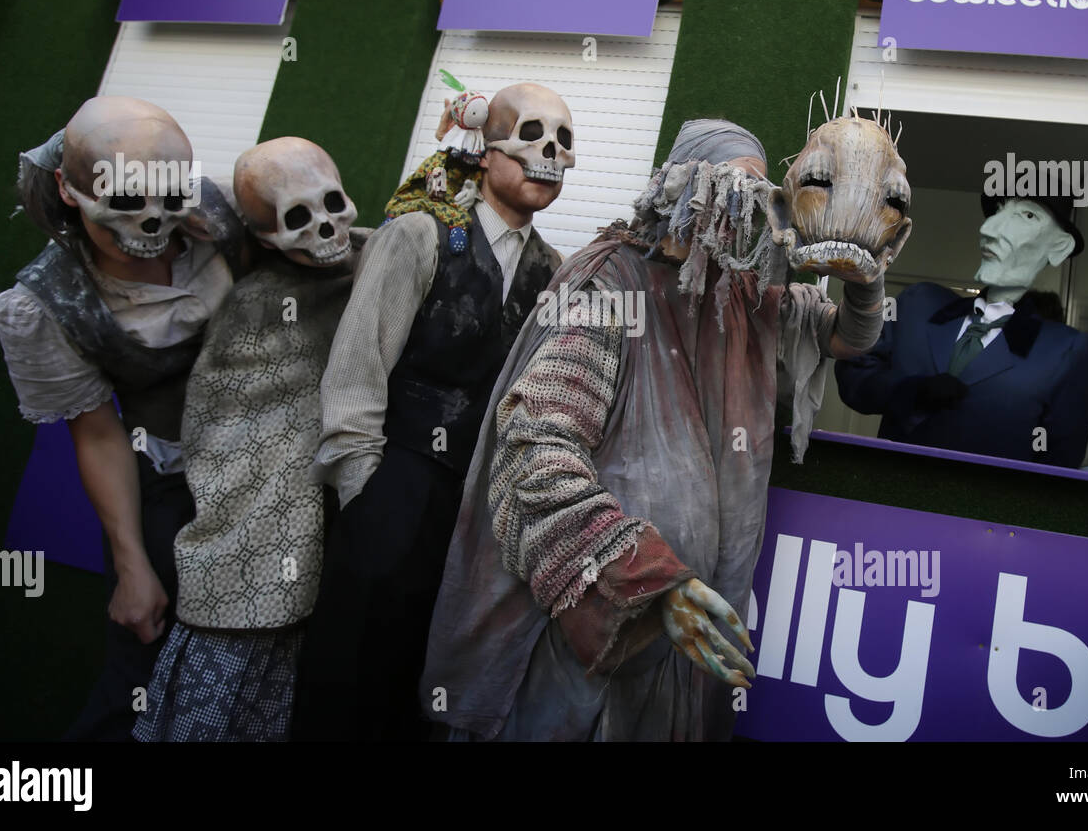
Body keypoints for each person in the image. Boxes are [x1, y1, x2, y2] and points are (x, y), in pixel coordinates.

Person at [419, 117, 899, 741]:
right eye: (736, 187)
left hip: (685, 642)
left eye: (763, 192)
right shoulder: (609, 284)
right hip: (591, 623)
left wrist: (864, 269)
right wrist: (643, 577)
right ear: (684, 187)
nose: (752, 207)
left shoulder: (743, 294)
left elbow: (850, 335)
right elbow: (536, 445)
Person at [292, 83, 571, 740]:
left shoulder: (552, 272)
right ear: (488, 147)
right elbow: (356, 374)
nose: (551, 153)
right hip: (394, 487)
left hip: (477, 518)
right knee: (349, 687)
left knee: (424, 697)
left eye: (565, 141)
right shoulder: (421, 234)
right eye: (533, 134)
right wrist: (366, 500)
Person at [0, 96, 240, 740]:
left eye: (169, 193)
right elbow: (99, 433)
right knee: (142, 674)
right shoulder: (47, 303)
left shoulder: (221, 214)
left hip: (272, 471)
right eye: (128, 198)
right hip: (170, 482)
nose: (155, 218)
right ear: (69, 191)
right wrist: (133, 566)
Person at [133, 137, 365, 741]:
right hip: (247, 564)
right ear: (264, 238)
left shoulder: (370, 260)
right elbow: (238, 430)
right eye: (296, 219)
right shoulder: (254, 308)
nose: (325, 226)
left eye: (332, 204)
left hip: (323, 568)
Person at [835, 192, 1088, 468]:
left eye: (1028, 216)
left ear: (1059, 247)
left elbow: (1059, 469)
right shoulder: (919, 304)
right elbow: (854, 374)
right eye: (997, 212)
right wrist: (909, 392)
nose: (988, 230)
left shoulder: (1066, 351)